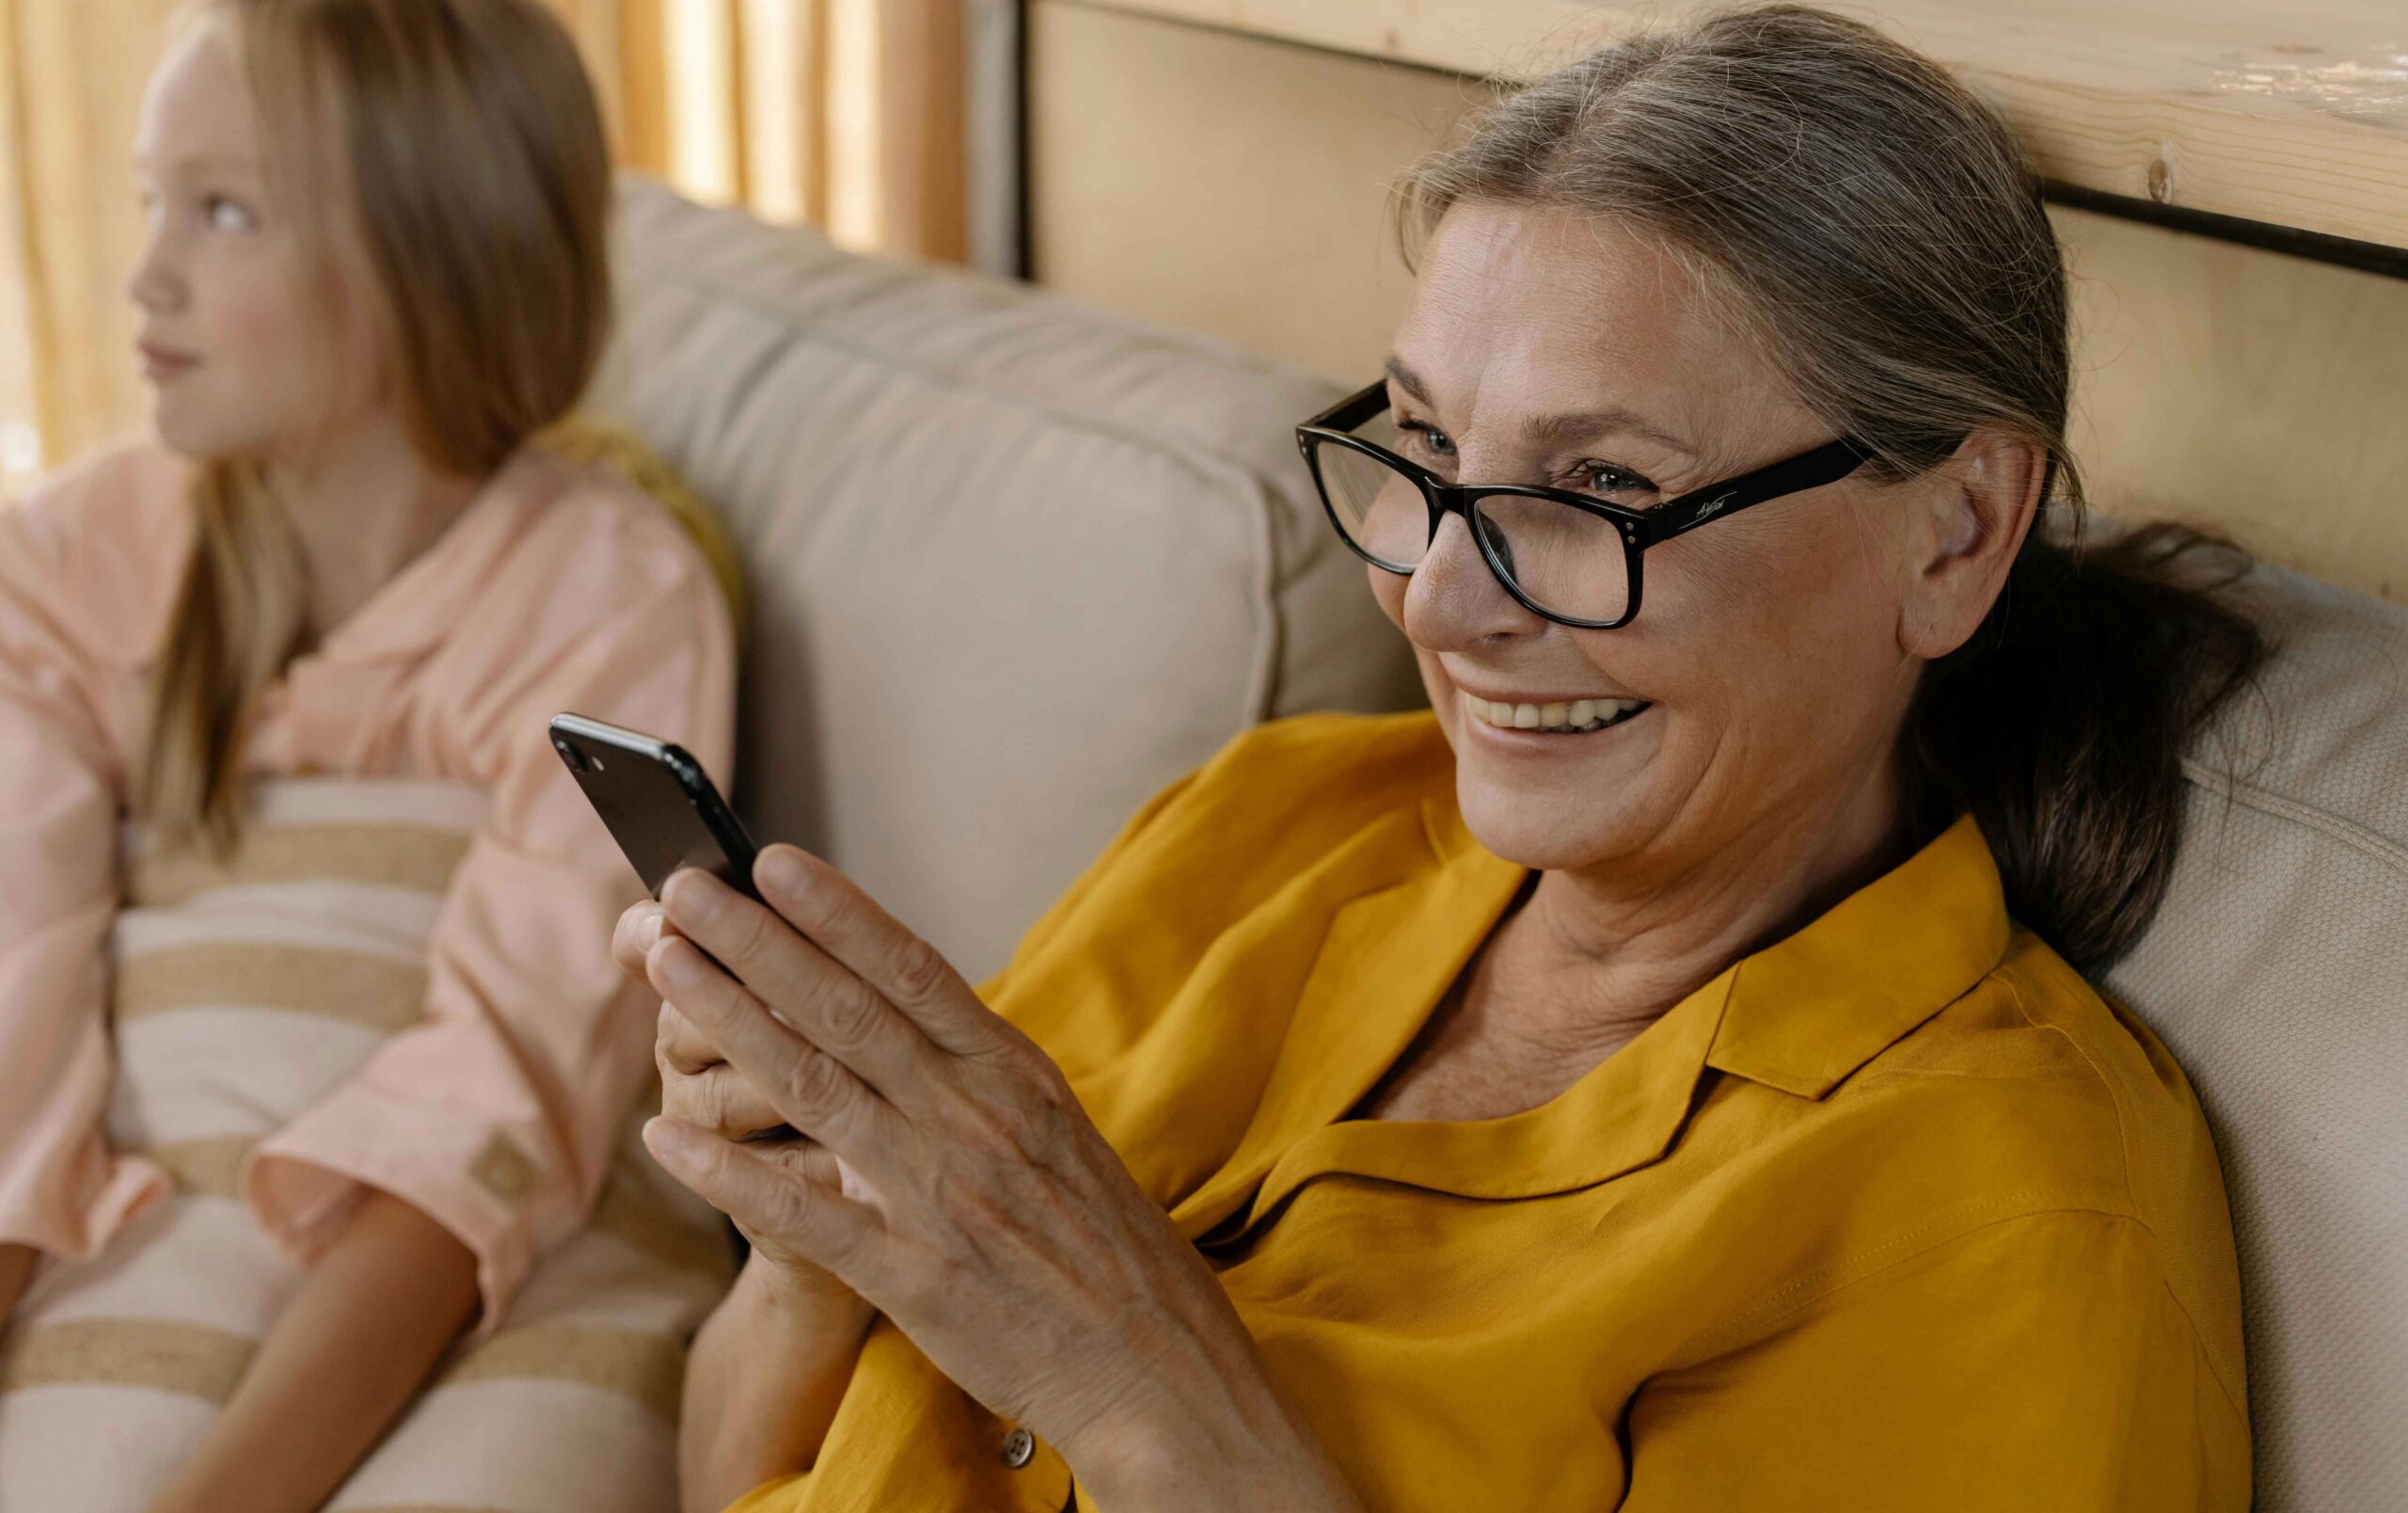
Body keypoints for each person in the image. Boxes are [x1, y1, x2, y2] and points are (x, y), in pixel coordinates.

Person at [619, 7, 2258, 1510]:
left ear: (1958, 534)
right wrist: (825, 1232)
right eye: (1425, 451)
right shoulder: (1265, 821)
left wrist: (1125, 1372)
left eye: (1602, 488)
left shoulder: (2006, 1217)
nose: (1443, 599)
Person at [0, 2, 737, 1508]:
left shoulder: (615, 595)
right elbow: (11, 1006)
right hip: (145, 1217)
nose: (143, 276)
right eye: (151, 201)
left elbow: (510, 1088)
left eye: (222, 212)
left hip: (508, 1255)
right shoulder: (61, 572)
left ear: (427, 260)